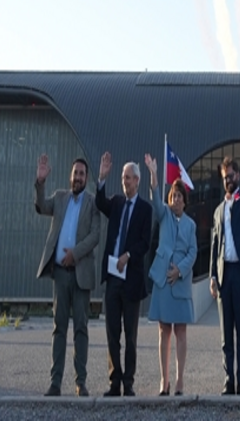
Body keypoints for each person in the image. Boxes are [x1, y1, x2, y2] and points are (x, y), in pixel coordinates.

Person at [34, 154, 100, 397]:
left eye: (82, 174)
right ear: (70, 176)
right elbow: (42, 207)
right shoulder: (60, 198)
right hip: (60, 274)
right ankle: (55, 383)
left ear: (86, 178)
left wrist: (75, 253)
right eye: (75, 173)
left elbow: (95, 236)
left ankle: (80, 382)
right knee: (58, 327)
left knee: (80, 328)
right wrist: (40, 183)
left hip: (80, 274)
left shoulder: (92, 203)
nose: (78, 177)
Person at [96, 152, 152, 397]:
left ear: (137, 180)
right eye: (122, 177)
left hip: (131, 279)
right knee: (112, 334)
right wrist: (101, 178)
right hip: (113, 279)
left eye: (128, 178)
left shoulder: (144, 209)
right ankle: (114, 381)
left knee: (130, 335)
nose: (125, 182)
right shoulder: (117, 203)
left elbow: (145, 243)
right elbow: (100, 203)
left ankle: (128, 382)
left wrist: (128, 255)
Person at [144, 154, 197, 396]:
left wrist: (181, 270)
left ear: (185, 201)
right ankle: (163, 381)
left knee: (181, 332)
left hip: (181, 282)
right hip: (164, 281)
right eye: (173, 196)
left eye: (179, 197)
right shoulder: (163, 214)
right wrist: (153, 173)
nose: (176, 199)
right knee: (164, 331)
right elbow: (155, 197)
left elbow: (194, 252)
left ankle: (179, 380)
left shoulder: (191, 225)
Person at [209, 130, 240, 395]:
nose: (228, 180)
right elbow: (215, 245)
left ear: (236, 176)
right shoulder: (218, 210)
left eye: (231, 176)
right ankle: (229, 380)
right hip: (223, 274)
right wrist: (212, 277)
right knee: (226, 333)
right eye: (224, 177)